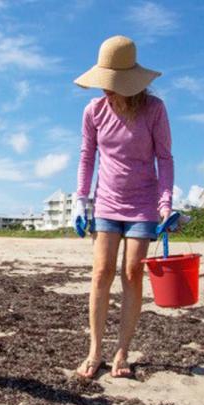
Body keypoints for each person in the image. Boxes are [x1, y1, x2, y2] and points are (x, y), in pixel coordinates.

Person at [73, 35, 174, 378]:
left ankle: (122, 353)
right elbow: (87, 157)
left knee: (132, 274)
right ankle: (95, 350)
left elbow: (165, 158)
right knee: (101, 273)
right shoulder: (94, 111)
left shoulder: (154, 110)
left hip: (143, 204)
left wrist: (165, 205)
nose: (106, 90)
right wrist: (79, 200)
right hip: (105, 203)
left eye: (113, 84)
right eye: (105, 83)